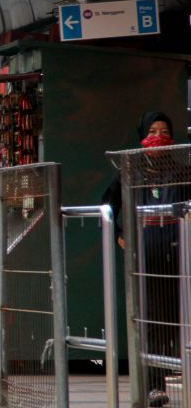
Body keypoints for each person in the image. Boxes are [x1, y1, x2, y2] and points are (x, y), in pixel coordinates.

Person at [102, 111, 180, 407]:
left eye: (164, 132)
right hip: (144, 261)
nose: (158, 137)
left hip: (175, 258)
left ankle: (168, 370)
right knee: (148, 320)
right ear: (142, 137)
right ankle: (153, 384)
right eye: (153, 131)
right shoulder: (129, 172)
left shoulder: (181, 170)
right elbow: (107, 206)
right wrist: (119, 236)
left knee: (172, 320)